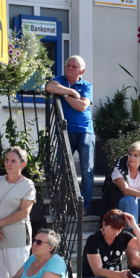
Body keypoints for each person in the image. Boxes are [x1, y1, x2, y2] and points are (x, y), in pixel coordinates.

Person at [45, 55, 94, 216]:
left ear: (82, 71)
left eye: (74, 66)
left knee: (87, 170)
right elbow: (49, 87)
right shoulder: (60, 80)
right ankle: (62, 205)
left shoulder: (87, 85)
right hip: (65, 131)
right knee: (62, 168)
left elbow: (82, 106)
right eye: (68, 65)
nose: (70, 68)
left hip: (85, 131)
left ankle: (84, 206)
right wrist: (70, 92)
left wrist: (63, 95)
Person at [0, 146, 36, 278]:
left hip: (16, 239)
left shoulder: (28, 185)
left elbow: (24, 212)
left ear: (22, 164)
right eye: (6, 160)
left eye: (13, 161)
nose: (8, 163)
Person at [110, 142, 140, 221]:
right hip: (120, 205)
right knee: (131, 199)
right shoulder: (119, 168)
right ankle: (132, 231)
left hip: (138, 204)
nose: (131, 158)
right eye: (130, 154)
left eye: (135, 155)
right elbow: (125, 191)